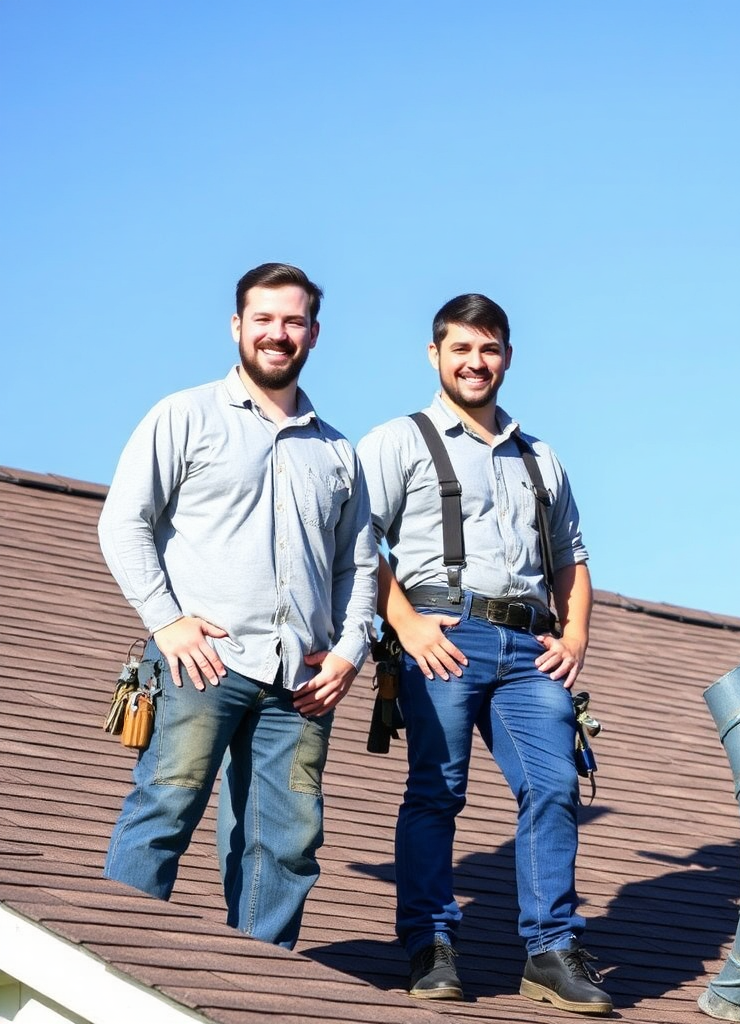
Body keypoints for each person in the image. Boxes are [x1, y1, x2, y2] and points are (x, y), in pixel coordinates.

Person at [98, 262, 377, 949]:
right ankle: (112, 970)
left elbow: (360, 566)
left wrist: (349, 652)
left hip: (301, 682)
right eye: (263, 319)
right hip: (203, 666)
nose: (278, 334)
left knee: (286, 845)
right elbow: (123, 523)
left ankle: (260, 979)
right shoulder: (184, 416)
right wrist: (167, 621)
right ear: (236, 326)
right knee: (165, 810)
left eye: (293, 321)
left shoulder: (338, 451)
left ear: (314, 333)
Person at [356, 294, 611, 1014]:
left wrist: (575, 635)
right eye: (462, 348)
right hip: (444, 634)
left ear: (508, 357)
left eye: (489, 348)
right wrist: (406, 625)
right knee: (437, 790)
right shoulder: (398, 440)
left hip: (531, 646)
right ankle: (430, 944)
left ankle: (551, 952)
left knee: (554, 787)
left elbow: (572, 557)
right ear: (434, 355)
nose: (476, 362)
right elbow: (356, 541)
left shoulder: (541, 457)